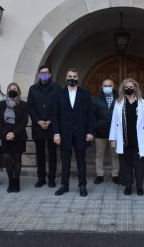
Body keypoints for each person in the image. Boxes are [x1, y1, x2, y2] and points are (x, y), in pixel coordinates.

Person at [52, 68, 94, 197]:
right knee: (65, 162)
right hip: (64, 134)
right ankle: (64, 185)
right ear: (66, 78)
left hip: (81, 133)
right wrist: (56, 133)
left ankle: (82, 185)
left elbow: (90, 115)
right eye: (70, 76)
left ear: (78, 78)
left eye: (74, 76)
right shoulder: (59, 94)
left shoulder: (85, 94)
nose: (72, 79)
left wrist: (90, 132)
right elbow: (55, 115)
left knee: (81, 162)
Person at [109, 78, 144, 196]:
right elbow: (114, 122)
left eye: (131, 87)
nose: (129, 89)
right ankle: (128, 185)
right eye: (126, 87)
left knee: (139, 166)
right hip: (124, 139)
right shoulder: (118, 103)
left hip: (139, 140)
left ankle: (139, 186)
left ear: (135, 88)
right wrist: (113, 139)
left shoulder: (142, 103)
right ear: (123, 89)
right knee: (125, 165)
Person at [28, 65, 61, 188]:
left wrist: (51, 120)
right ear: (38, 75)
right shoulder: (33, 89)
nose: (44, 74)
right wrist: (38, 121)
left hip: (52, 126)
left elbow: (59, 106)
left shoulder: (57, 88)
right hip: (38, 127)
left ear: (50, 74)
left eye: (46, 73)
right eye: (42, 73)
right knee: (40, 154)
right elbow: (30, 107)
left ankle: (51, 178)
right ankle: (41, 178)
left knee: (52, 154)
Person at [0, 82, 28, 193]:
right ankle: (11, 181)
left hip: (19, 136)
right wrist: (7, 134)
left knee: (17, 159)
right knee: (7, 159)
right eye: (10, 88)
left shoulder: (23, 105)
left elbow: (24, 122)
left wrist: (14, 133)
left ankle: (17, 182)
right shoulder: (2, 104)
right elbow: (0, 122)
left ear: (18, 91)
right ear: (7, 91)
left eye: (14, 88)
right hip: (5, 136)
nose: (12, 90)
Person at [92, 78, 120, 185]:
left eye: (109, 86)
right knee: (99, 154)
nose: (107, 88)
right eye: (105, 86)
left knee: (115, 155)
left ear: (113, 87)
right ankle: (99, 175)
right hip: (100, 132)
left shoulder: (119, 99)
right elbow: (93, 116)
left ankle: (115, 175)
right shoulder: (96, 99)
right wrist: (95, 127)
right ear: (102, 87)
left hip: (115, 133)